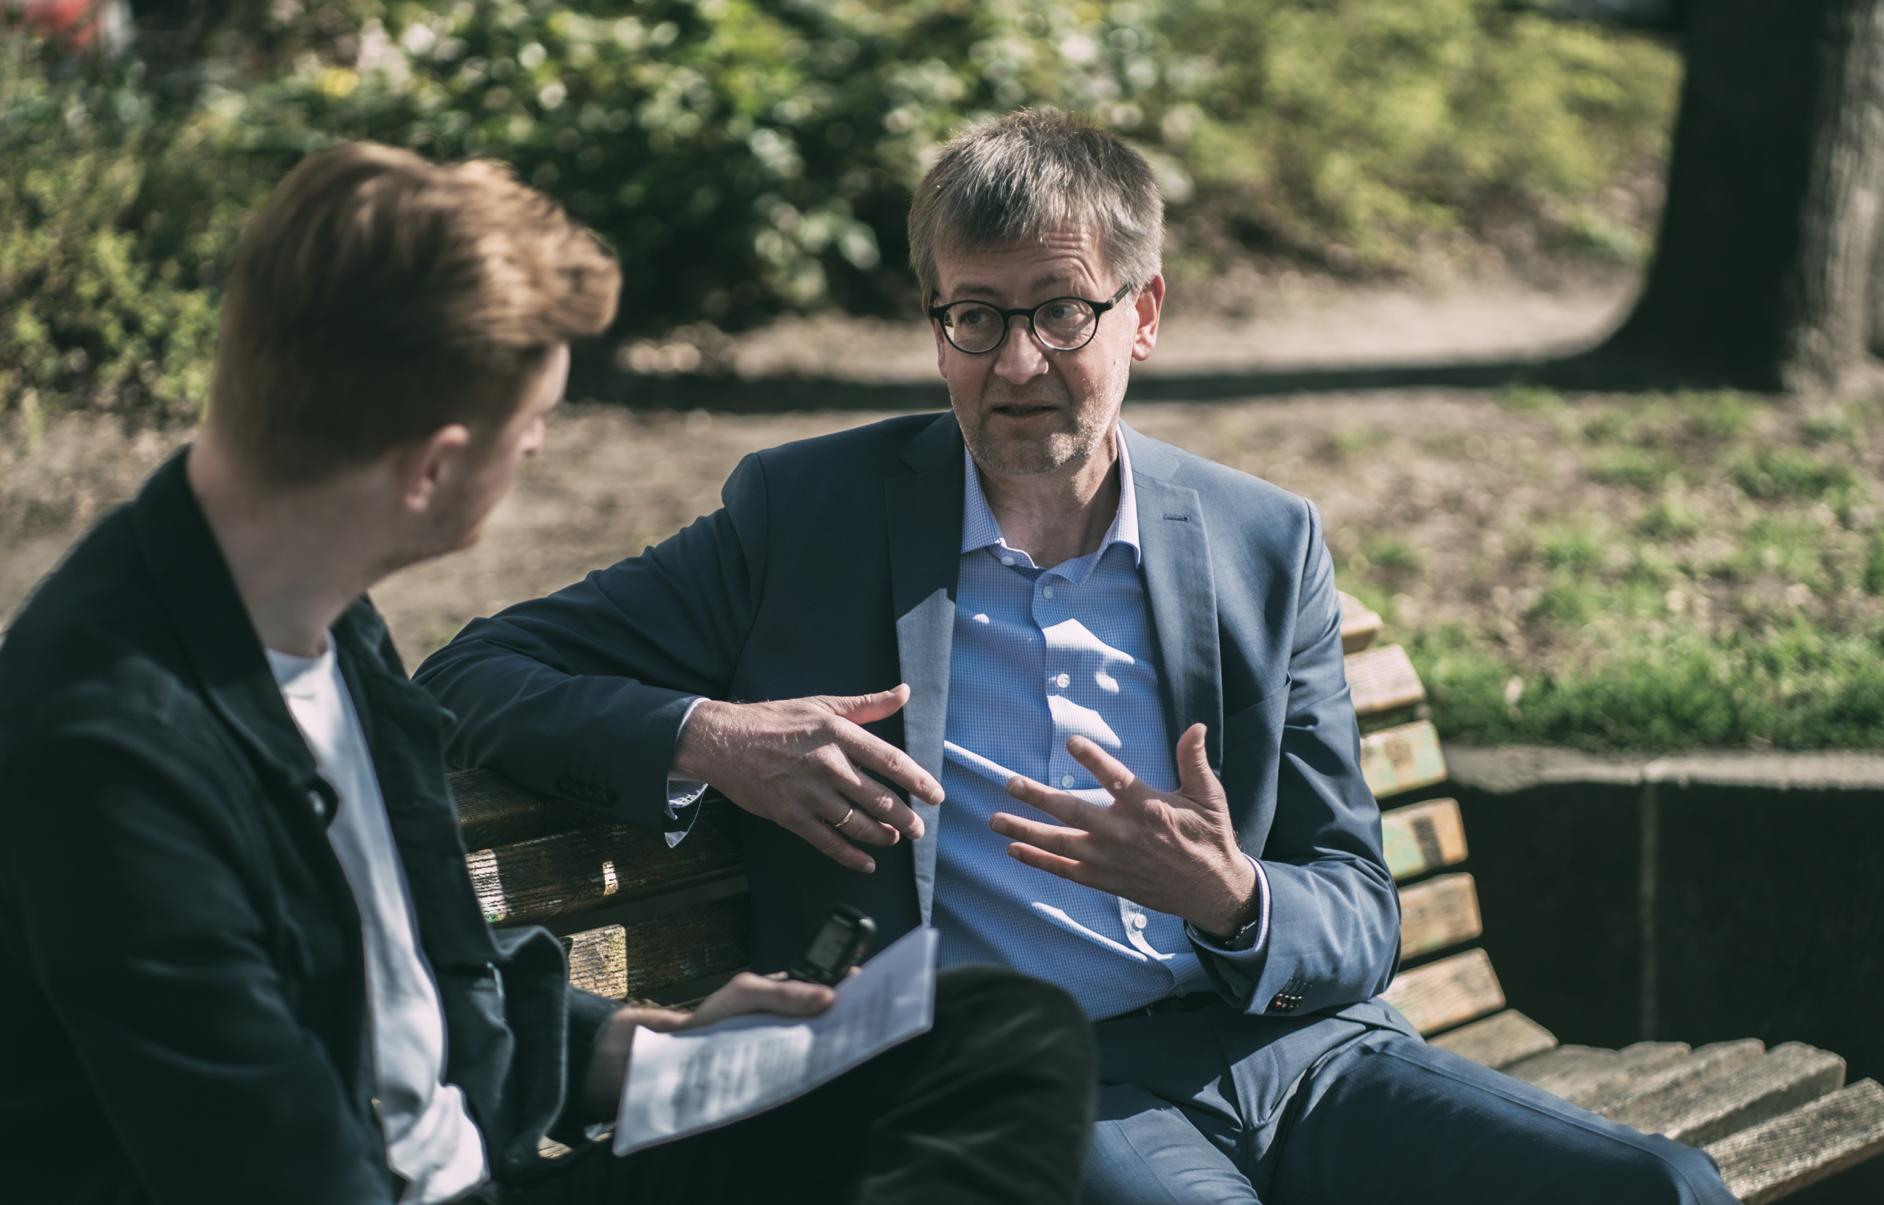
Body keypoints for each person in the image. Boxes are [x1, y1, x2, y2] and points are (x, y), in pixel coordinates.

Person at [416, 111, 1737, 1204]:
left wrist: (1231, 897)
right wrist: (711, 738)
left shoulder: (1259, 544)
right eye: (974, 318)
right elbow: (476, 672)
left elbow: (1359, 911)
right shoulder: (805, 519)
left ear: (1143, 311)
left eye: (1061, 310)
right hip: (1046, 1082)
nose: (1018, 364)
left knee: (1664, 1191)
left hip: (1302, 1054)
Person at [0, 143, 1098, 1205]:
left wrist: (646, 1045)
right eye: (529, 425)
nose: (534, 451)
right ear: (430, 468)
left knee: (999, 1039)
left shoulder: (307, 607)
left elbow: (411, 979)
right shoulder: (108, 747)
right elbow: (266, 1162)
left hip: (487, 1165)